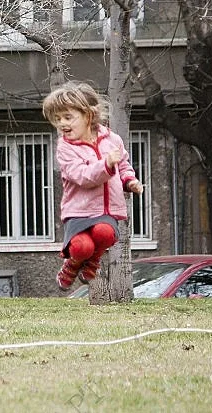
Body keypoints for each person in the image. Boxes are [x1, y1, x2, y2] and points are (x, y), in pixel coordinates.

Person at [42, 81, 144, 290]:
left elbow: (123, 164)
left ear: (89, 115)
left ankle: (93, 260)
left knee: (105, 233)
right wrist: (106, 164)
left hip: (106, 210)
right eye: (57, 119)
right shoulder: (65, 148)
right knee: (82, 247)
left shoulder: (112, 139)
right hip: (79, 211)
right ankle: (72, 265)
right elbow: (82, 176)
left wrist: (129, 181)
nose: (62, 124)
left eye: (68, 117)